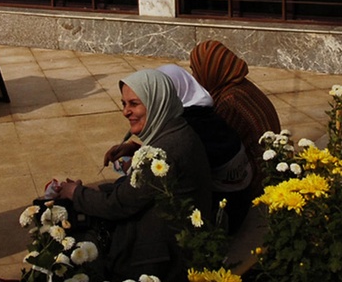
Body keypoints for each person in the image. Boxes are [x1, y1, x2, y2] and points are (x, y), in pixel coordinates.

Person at [56, 69, 212, 282]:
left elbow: (117, 205)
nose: (126, 112)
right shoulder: (178, 130)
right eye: (124, 104)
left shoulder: (164, 154)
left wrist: (75, 193)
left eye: (134, 104)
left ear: (156, 102)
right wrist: (136, 150)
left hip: (161, 258)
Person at [104, 64, 253, 233]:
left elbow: (125, 201)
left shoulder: (188, 129)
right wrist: (136, 150)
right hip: (238, 204)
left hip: (222, 216)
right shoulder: (204, 114)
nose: (126, 111)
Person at [188, 41, 281, 196]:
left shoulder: (230, 101)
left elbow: (222, 151)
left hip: (260, 179)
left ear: (211, 70)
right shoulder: (239, 85)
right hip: (272, 167)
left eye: (195, 70)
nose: (194, 77)